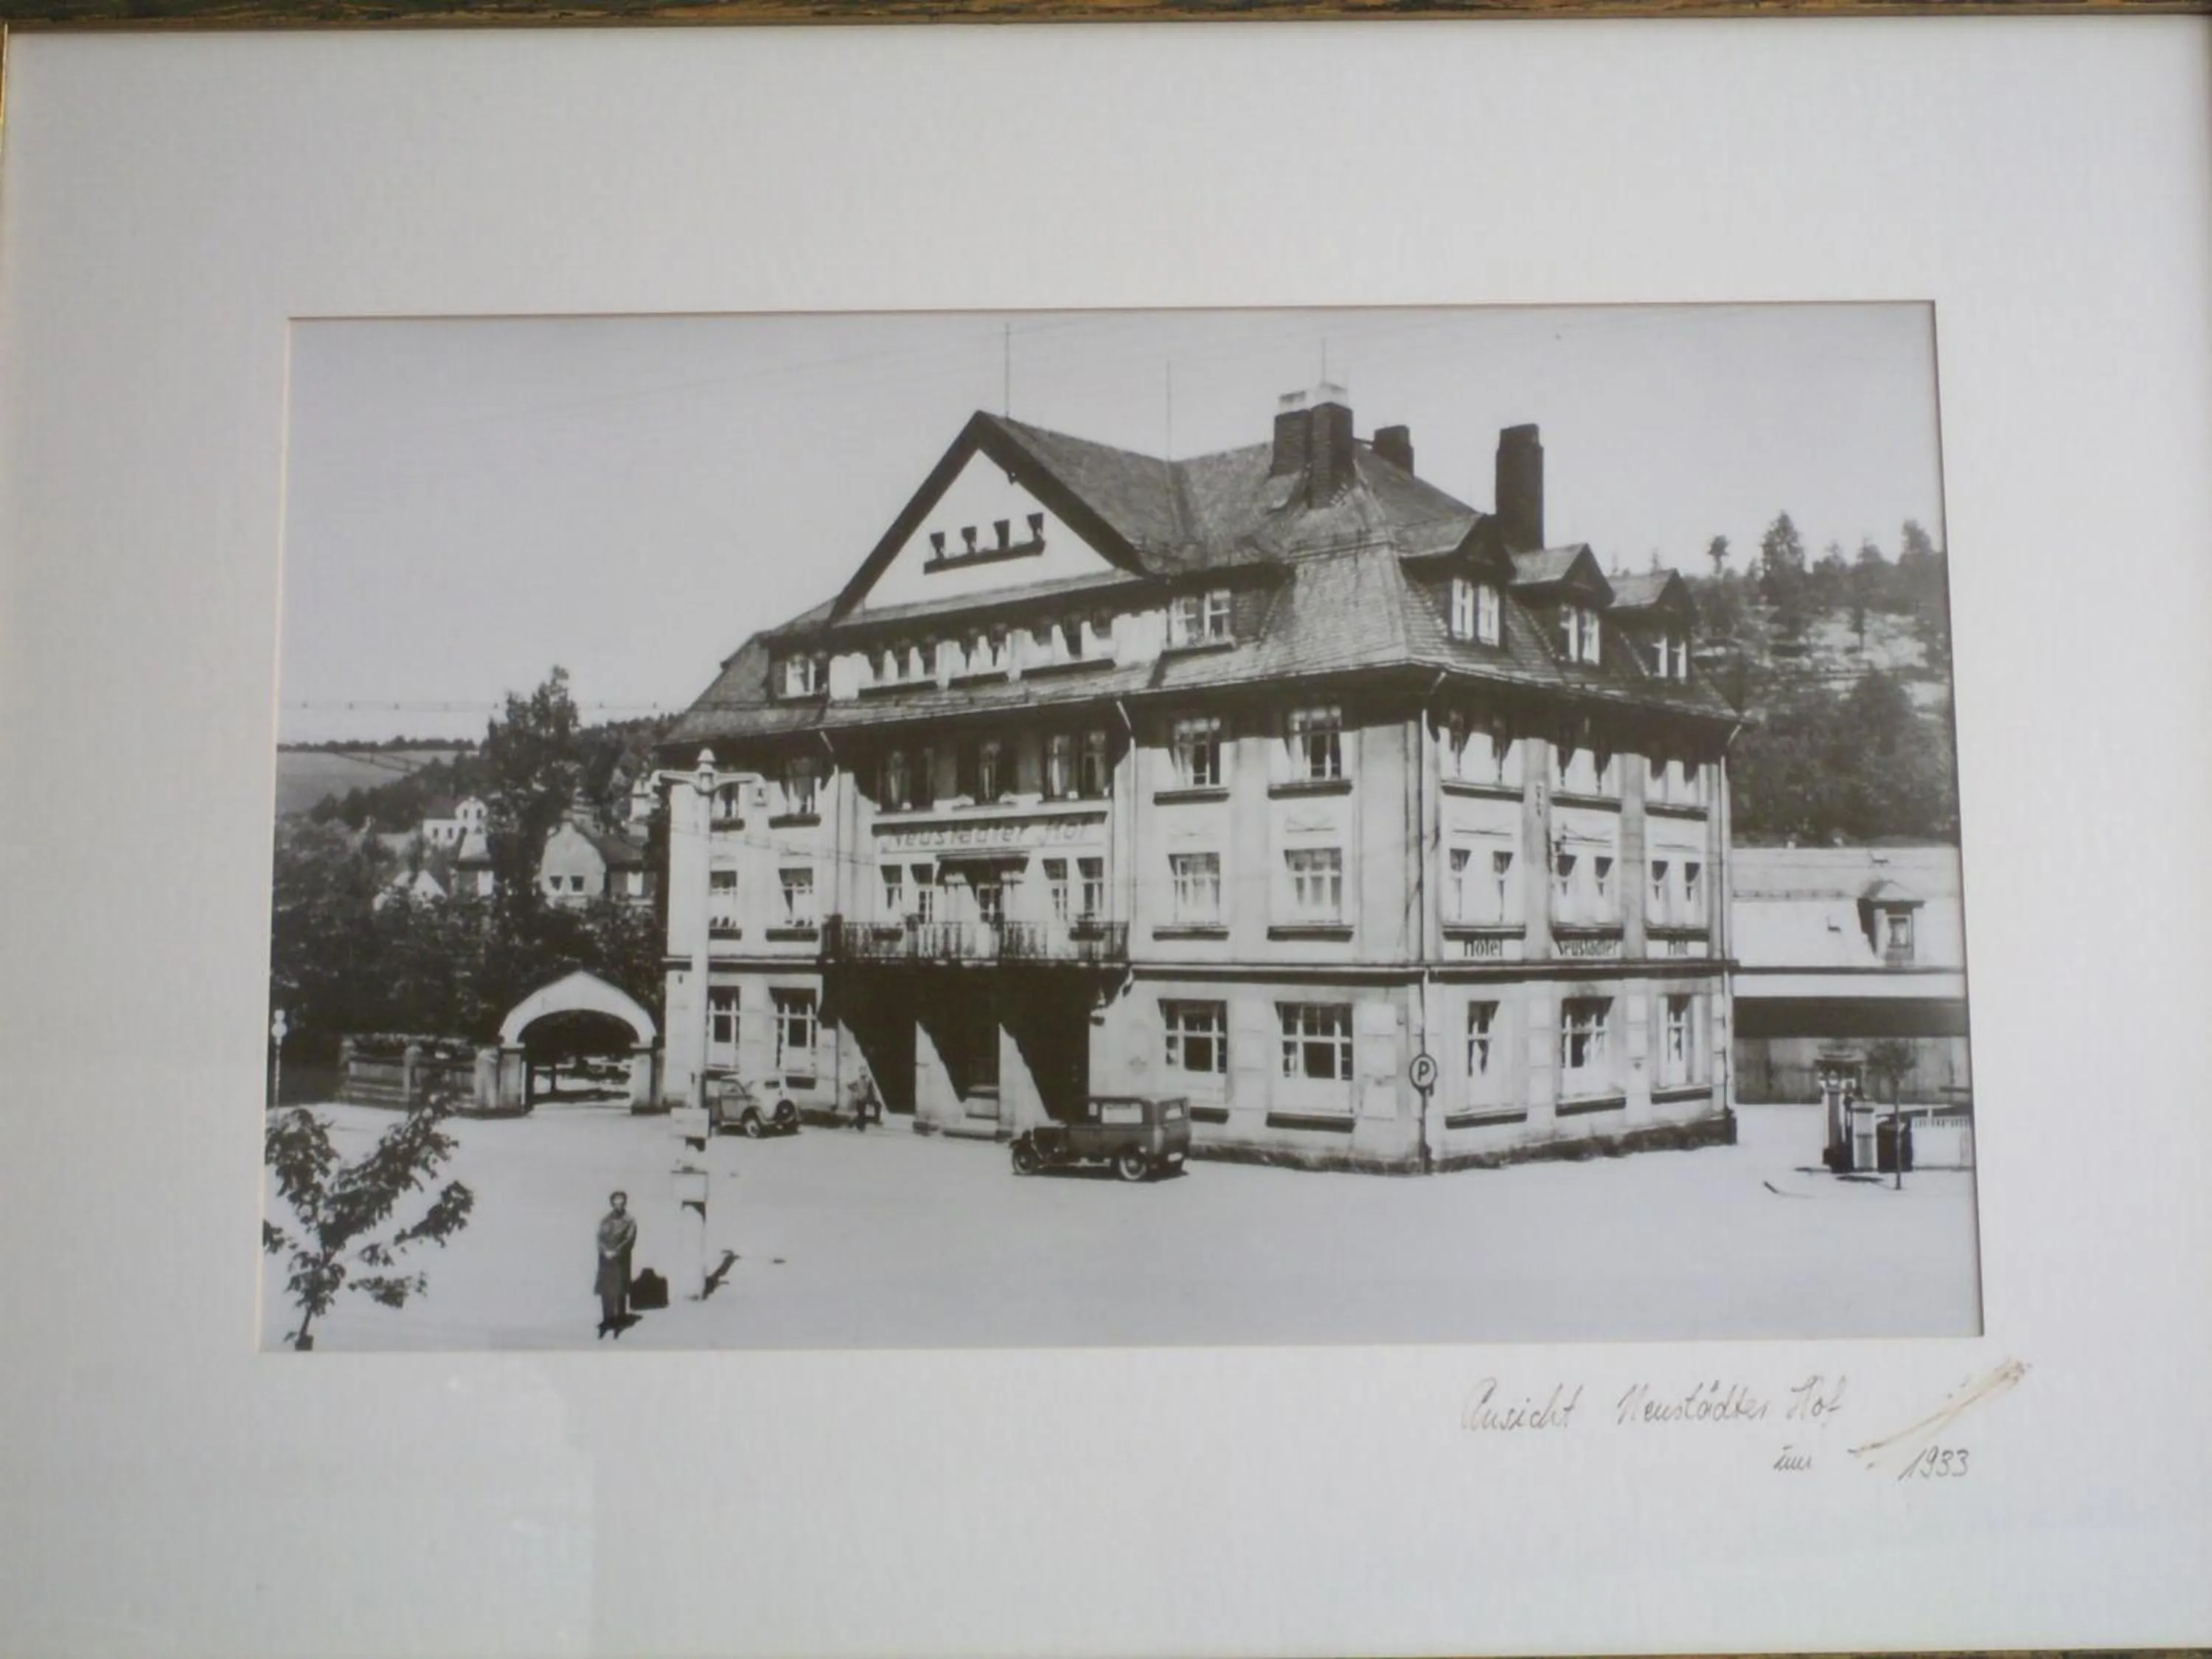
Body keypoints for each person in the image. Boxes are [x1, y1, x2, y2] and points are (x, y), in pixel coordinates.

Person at [595, 1190, 637, 1339]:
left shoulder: (630, 1221)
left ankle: (619, 1321)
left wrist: (616, 1252)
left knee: (619, 1291)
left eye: (621, 1201)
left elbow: (629, 1240)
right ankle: (607, 1320)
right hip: (606, 1261)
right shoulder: (605, 1220)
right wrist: (605, 1251)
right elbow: (599, 1238)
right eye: (616, 1201)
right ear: (612, 1203)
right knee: (606, 1291)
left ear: (625, 1202)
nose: (618, 1203)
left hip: (620, 1261)